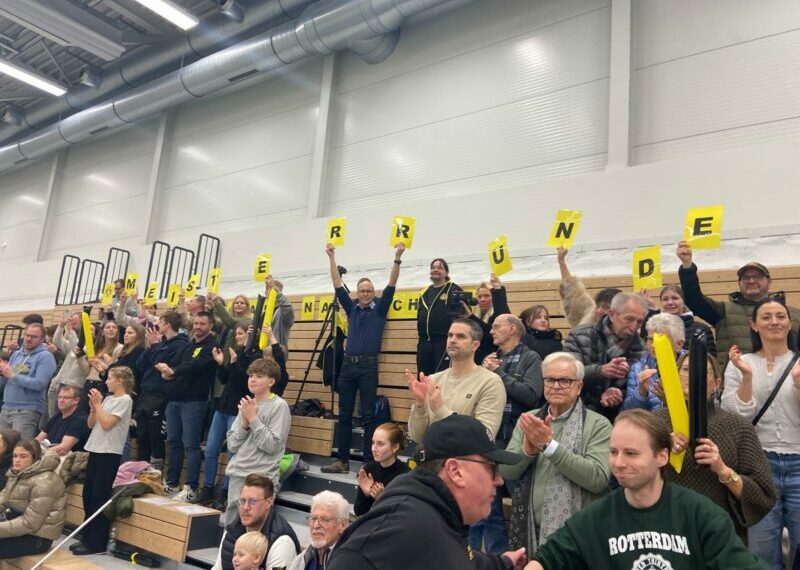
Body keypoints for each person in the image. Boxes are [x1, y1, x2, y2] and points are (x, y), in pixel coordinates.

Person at [525, 409, 766, 570]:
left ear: (662, 456)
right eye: (613, 452)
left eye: (631, 453)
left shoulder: (699, 514)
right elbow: (544, 560)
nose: (619, 463)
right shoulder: (595, 518)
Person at [328, 414, 526, 570]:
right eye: (492, 466)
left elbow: (457, 556)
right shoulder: (400, 530)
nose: (499, 480)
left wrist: (504, 563)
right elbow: (353, 558)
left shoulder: (439, 516)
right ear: (455, 471)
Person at [657, 351, 775, 544]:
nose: (693, 376)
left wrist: (722, 470)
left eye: (702, 371)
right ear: (675, 375)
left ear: (717, 383)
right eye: (686, 370)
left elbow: (763, 496)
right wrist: (658, 448)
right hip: (666, 532)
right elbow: (630, 475)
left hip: (719, 534)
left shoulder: (737, 426)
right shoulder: (654, 423)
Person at [500, 352, 612, 554]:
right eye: (550, 380)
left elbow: (598, 479)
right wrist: (527, 451)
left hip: (579, 534)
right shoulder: (530, 420)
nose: (556, 386)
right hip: (531, 531)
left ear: (579, 387)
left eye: (565, 381)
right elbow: (506, 471)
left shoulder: (598, 424)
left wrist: (549, 447)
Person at [722, 297, 800, 569]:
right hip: (758, 466)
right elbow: (734, 418)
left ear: (790, 323)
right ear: (753, 325)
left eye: (780, 316)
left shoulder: (799, 362)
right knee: (761, 552)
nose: (774, 322)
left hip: (799, 462)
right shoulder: (739, 363)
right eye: (766, 317)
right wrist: (746, 378)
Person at [322, 242, 405, 474]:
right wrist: (331, 257)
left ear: (373, 293)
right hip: (348, 368)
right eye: (362, 291)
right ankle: (342, 461)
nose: (366, 293)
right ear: (358, 294)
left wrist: (397, 257)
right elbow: (337, 284)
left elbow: (392, 283)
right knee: (345, 415)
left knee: (368, 416)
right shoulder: (352, 309)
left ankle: (369, 463)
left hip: (368, 367)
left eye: (369, 290)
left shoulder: (380, 309)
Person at [471, 314, 544, 553]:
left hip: (516, 439)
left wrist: (499, 375)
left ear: (513, 329)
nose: (491, 331)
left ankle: (526, 555)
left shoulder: (531, 358)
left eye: (496, 327)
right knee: (487, 508)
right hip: (490, 438)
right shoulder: (491, 359)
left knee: (522, 503)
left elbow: (531, 395)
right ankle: (493, 560)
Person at [677, 241, 799, 366]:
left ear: (769, 281)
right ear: (739, 283)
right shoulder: (723, 311)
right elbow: (693, 299)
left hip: (786, 382)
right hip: (735, 382)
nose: (751, 281)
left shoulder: (795, 315)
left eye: (757, 276)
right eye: (745, 277)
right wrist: (687, 266)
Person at [407, 318, 506, 444]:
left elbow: (484, 438)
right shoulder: (432, 380)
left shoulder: (490, 382)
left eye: (460, 336)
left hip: (464, 461)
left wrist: (440, 410)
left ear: (475, 345)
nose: (452, 340)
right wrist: (420, 405)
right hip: (430, 459)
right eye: (450, 335)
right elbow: (417, 437)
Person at [71, 366, 134, 555]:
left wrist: (98, 406)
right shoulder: (107, 399)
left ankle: (97, 542)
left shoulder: (125, 400)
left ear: (120, 381)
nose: (106, 382)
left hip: (110, 452)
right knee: (88, 494)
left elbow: (107, 424)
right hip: (95, 447)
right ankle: (87, 534)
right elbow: (92, 424)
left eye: (110, 378)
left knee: (100, 496)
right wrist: (93, 409)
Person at [197, 324, 262, 507]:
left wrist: (234, 363)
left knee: (234, 452)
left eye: (240, 334)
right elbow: (225, 379)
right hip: (222, 407)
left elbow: (245, 383)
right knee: (210, 450)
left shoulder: (254, 355)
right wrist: (221, 364)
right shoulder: (238, 353)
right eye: (237, 334)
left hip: (238, 409)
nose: (238, 336)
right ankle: (208, 488)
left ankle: (225, 491)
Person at [158, 311, 219, 501]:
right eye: (196, 323)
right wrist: (168, 373)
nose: (198, 326)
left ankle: (191, 487)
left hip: (195, 401)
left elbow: (195, 366)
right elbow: (176, 363)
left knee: (191, 445)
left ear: (210, 326)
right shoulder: (189, 345)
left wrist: (173, 372)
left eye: (202, 324)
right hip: (175, 399)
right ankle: (172, 483)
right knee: (173, 442)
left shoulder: (212, 346)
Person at [224, 359, 291, 525]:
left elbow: (272, 446)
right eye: (251, 375)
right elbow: (232, 445)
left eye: (259, 376)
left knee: (255, 529)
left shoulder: (279, 406)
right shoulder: (247, 404)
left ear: (271, 381)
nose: (252, 379)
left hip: (262, 478)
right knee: (231, 529)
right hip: (238, 474)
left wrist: (253, 419)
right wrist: (245, 425)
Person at [564, 292, 647, 420]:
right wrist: (600, 371)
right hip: (578, 414)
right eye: (629, 319)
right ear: (612, 314)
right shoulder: (579, 335)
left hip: (617, 418)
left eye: (640, 322)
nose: (634, 327)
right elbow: (566, 374)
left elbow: (638, 387)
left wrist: (619, 393)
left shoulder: (641, 348)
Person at [135, 311, 189, 470]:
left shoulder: (180, 344)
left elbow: (160, 365)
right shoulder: (159, 342)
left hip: (161, 396)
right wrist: (151, 346)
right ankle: (140, 472)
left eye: (160, 322)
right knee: (141, 436)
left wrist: (157, 345)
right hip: (145, 395)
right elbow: (141, 364)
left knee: (155, 437)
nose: (156, 324)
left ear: (168, 325)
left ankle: (155, 474)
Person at [212, 474, 300, 570]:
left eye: (253, 501)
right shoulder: (232, 531)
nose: (245, 507)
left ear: (269, 503)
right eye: (242, 501)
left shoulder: (282, 543)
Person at [0, 439, 65, 558]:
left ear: (35, 458)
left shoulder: (45, 482)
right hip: (19, 526)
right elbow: (3, 500)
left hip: (37, 538)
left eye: (23, 456)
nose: (17, 460)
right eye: (15, 456)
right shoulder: (17, 473)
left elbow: (30, 523)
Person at [0, 323, 57, 440]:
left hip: (27, 411)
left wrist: (12, 375)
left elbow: (39, 384)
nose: (29, 339)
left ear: (42, 339)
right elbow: (11, 377)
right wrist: (4, 372)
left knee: (21, 450)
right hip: (6, 408)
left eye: (33, 336)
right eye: (27, 335)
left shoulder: (45, 357)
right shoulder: (16, 354)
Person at [622, 312, 686, 411]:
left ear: (679, 344)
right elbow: (628, 412)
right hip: (651, 424)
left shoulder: (693, 366)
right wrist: (641, 392)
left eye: (660, 341)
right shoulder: (638, 368)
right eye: (650, 339)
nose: (653, 346)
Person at [416, 258, 463, 375]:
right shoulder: (424, 292)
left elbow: (463, 316)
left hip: (443, 343)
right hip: (423, 343)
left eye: (440, 267)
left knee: (441, 379)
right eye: (433, 267)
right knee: (423, 378)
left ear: (446, 273)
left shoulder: (453, 289)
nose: (435, 270)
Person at [556, 246, 622, 328]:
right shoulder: (589, 317)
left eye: (606, 307)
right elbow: (571, 291)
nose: (599, 310)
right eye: (598, 306)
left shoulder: (629, 335)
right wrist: (561, 261)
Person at [643, 284, 717, 355]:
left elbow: (711, 357)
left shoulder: (702, 329)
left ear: (684, 301)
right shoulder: (653, 328)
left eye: (675, 298)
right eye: (665, 299)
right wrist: (652, 310)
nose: (670, 302)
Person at [354, 422, 410, 516]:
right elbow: (359, 511)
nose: (374, 449)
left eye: (380, 444)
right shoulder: (368, 469)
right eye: (373, 443)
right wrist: (366, 495)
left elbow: (401, 516)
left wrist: (382, 498)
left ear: (395, 447)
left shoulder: (405, 475)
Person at [289, 491, 350, 570]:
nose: (316, 525)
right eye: (313, 518)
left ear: (343, 525)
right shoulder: (302, 560)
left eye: (324, 519)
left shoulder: (351, 561)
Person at [46, 312, 84, 422]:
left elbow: (77, 348)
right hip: (61, 382)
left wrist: (70, 331)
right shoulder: (72, 340)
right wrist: (61, 325)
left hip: (75, 386)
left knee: (64, 418)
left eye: (74, 321)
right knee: (54, 418)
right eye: (70, 320)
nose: (71, 322)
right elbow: (57, 341)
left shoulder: (89, 347)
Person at [35, 385, 89, 456]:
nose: (61, 400)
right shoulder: (56, 417)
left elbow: (63, 449)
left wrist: (38, 453)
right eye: (59, 397)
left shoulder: (80, 419)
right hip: (49, 456)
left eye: (66, 398)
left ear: (76, 400)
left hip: (67, 461)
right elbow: (37, 440)